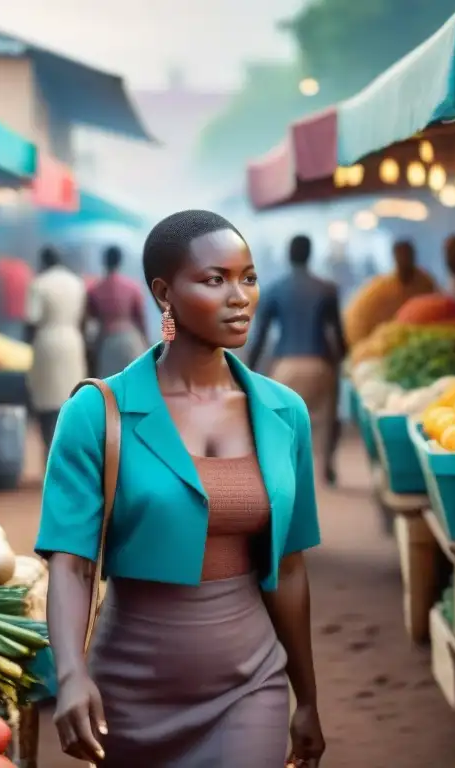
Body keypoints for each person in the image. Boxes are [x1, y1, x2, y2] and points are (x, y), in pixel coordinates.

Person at [38, 210, 324, 767]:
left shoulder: (285, 413)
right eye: (215, 280)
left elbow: (289, 568)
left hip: (251, 683)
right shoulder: (98, 413)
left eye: (248, 277)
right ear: (164, 293)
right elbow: (69, 564)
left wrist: (307, 697)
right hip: (128, 695)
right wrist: (70, 674)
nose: (240, 296)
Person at [248, 234, 346, 486]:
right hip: (320, 362)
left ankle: (283, 471)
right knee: (327, 418)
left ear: (288, 256)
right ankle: (327, 466)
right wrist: (341, 364)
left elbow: (259, 338)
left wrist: (246, 369)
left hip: (285, 366)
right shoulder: (327, 289)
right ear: (310, 254)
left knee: (281, 422)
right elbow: (339, 337)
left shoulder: (273, 290)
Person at [25, 246, 87, 453]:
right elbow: (84, 319)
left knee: (45, 402)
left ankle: (49, 453)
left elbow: (31, 320)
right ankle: (69, 456)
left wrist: (27, 347)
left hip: (47, 343)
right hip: (72, 342)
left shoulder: (39, 284)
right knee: (70, 400)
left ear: (43, 261)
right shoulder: (77, 283)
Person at [343, 239, 436, 348]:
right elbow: (356, 320)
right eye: (401, 256)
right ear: (395, 258)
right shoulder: (379, 290)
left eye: (407, 255)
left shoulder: (424, 283)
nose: (404, 260)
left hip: (419, 341)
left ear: (413, 256)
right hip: (376, 346)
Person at [86, 245, 148, 378]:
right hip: (130, 340)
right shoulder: (132, 287)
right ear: (120, 262)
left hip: (106, 342)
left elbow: (90, 319)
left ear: (104, 262)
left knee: (110, 388)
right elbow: (140, 319)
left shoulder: (95, 289)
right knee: (133, 383)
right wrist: (146, 341)